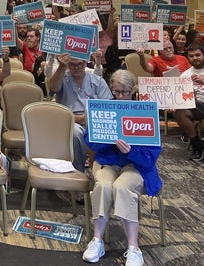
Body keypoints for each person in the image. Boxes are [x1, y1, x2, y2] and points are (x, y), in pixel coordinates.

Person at [82, 69, 161, 266]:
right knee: (103, 185)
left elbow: (151, 157)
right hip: (108, 162)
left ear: (133, 90)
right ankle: (97, 240)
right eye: (116, 91)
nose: (120, 96)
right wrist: (106, 139)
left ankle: (133, 247)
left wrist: (131, 151)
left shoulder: (145, 111)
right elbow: (90, 142)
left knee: (122, 187)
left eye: (125, 92)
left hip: (137, 166)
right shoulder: (105, 108)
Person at [47, 53, 113, 172]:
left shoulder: (97, 81)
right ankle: (77, 172)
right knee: (75, 133)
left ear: (85, 63)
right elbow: (53, 87)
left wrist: (84, 118)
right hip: (69, 121)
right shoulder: (63, 78)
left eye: (80, 64)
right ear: (68, 65)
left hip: (94, 122)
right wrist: (62, 67)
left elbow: (108, 108)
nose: (76, 67)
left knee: (101, 134)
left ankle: (102, 171)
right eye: (72, 65)